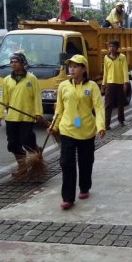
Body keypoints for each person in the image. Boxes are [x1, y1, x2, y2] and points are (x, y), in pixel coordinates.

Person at [50, 55, 106, 210]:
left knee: (86, 161)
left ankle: (85, 186)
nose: (72, 69)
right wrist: (54, 125)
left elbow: (99, 107)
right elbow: (59, 108)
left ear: (83, 69)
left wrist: (100, 126)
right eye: (70, 66)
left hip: (86, 130)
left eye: (75, 66)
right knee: (66, 163)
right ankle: (68, 197)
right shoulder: (63, 86)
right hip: (67, 129)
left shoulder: (92, 86)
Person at [0, 52, 44, 176]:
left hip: (27, 117)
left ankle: (36, 155)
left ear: (23, 63)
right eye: (11, 62)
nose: (13, 64)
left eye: (16, 61)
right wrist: (0, 115)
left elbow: (37, 97)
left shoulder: (31, 79)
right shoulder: (7, 80)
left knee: (26, 141)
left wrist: (39, 113)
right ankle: (22, 167)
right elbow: (4, 98)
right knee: (12, 144)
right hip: (12, 117)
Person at [102, 40, 129, 129]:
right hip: (110, 83)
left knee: (120, 103)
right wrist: (103, 83)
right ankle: (106, 124)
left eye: (113, 46)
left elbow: (125, 70)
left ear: (117, 48)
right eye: (110, 46)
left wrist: (126, 82)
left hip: (120, 83)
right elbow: (105, 72)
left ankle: (121, 120)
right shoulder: (106, 58)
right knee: (108, 104)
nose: (111, 48)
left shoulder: (122, 57)